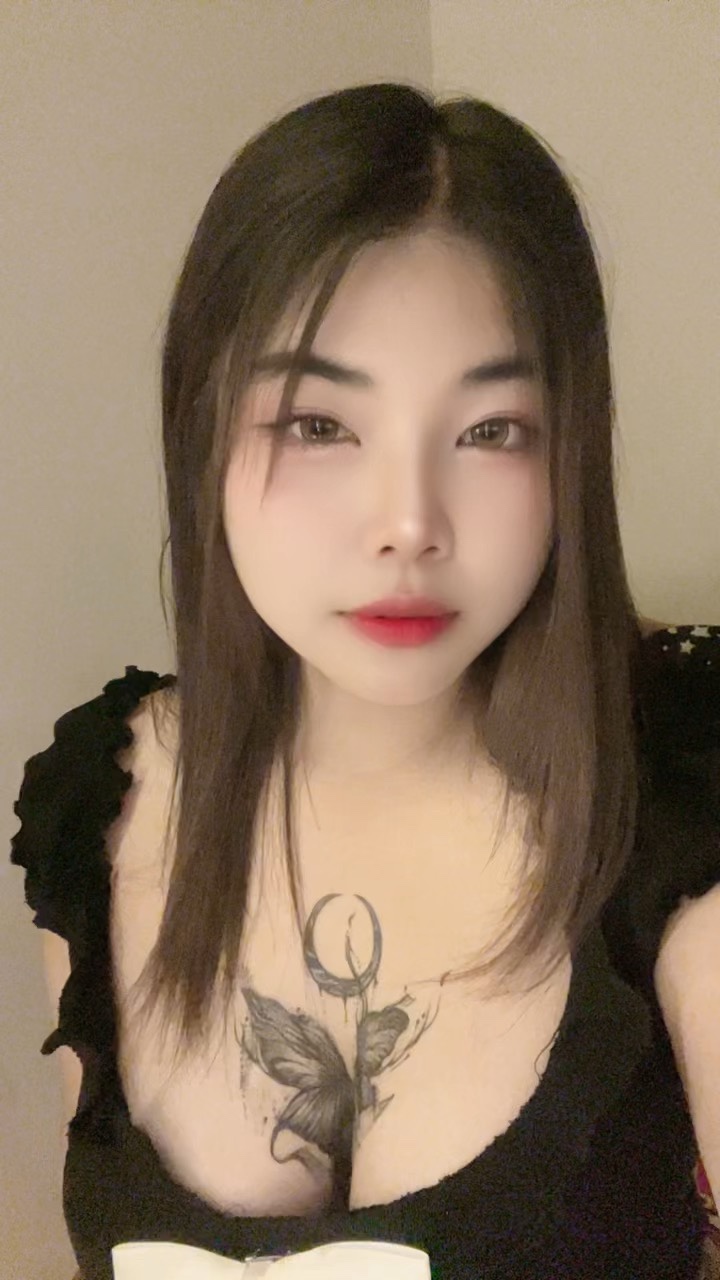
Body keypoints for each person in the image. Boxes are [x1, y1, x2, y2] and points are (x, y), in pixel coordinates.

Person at [9, 82, 720, 1280]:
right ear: (203, 428)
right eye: (319, 424)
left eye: (491, 429)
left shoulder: (683, 790)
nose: (409, 522)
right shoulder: (106, 795)